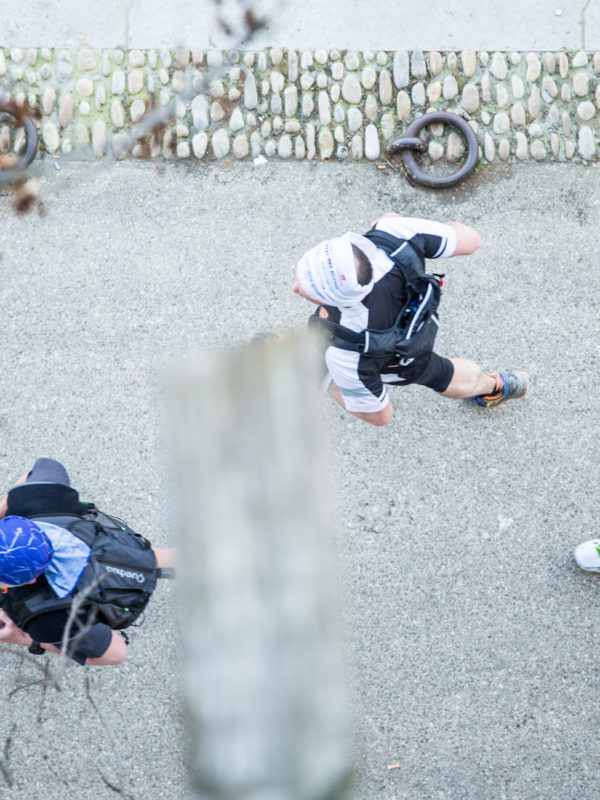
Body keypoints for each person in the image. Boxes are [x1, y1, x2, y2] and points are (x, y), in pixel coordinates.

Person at [293, 214, 529, 426]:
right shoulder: (393, 232)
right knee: (437, 371)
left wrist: (324, 375)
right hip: (418, 315)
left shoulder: (344, 355)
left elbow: (380, 416)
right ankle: (497, 386)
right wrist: (406, 225)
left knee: (439, 374)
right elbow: (471, 240)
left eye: (308, 291)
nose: (295, 288)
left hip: (391, 355)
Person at [0, 458, 175, 666]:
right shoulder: (34, 499)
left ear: (28, 582)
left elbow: (117, 654)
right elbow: (47, 466)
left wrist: (23, 637)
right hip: (122, 553)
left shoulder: (45, 622)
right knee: (152, 559)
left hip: (77, 601)